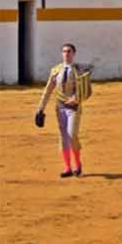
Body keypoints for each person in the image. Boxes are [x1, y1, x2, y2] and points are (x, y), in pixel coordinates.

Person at [35, 43, 92, 178]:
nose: (66, 54)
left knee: (72, 135)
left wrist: (77, 99)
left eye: (69, 51)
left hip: (74, 107)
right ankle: (67, 167)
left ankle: (77, 164)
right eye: (64, 51)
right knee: (63, 137)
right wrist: (40, 108)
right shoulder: (56, 70)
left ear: (74, 54)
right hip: (60, 107)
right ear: (62, 54)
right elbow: (48, 90)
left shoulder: (80, 70)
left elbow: (88, 91)